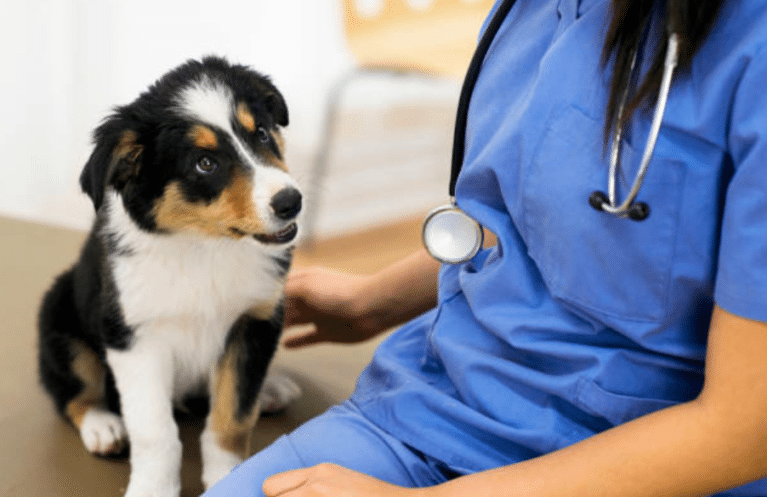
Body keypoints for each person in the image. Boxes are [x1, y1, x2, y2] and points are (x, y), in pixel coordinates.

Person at [205, 0, 767, 495]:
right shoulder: (531, 12)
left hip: (636, 463)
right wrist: (372, 302)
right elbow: (525, 218)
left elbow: (742, 430)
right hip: (432, 410)